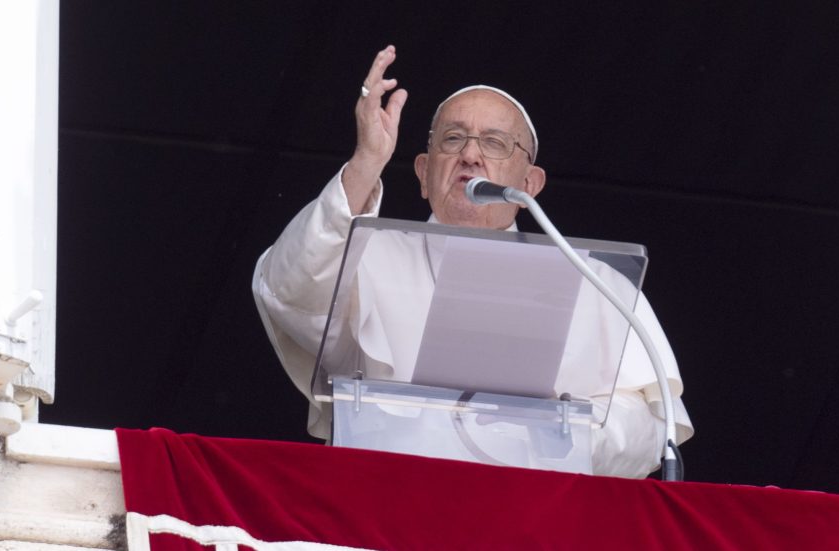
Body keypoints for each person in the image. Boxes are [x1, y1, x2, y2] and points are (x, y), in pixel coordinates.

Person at [252, 46, 692, 478]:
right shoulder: (368, 253)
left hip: (534, 518)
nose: (470, 155)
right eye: (453, 138)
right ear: (423, 174)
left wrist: (563, 437)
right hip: (387, 502)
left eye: (495, 142)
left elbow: (652, 420)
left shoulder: (595, 282)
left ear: (529, 183)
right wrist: (366, 163)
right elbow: (290, 292)